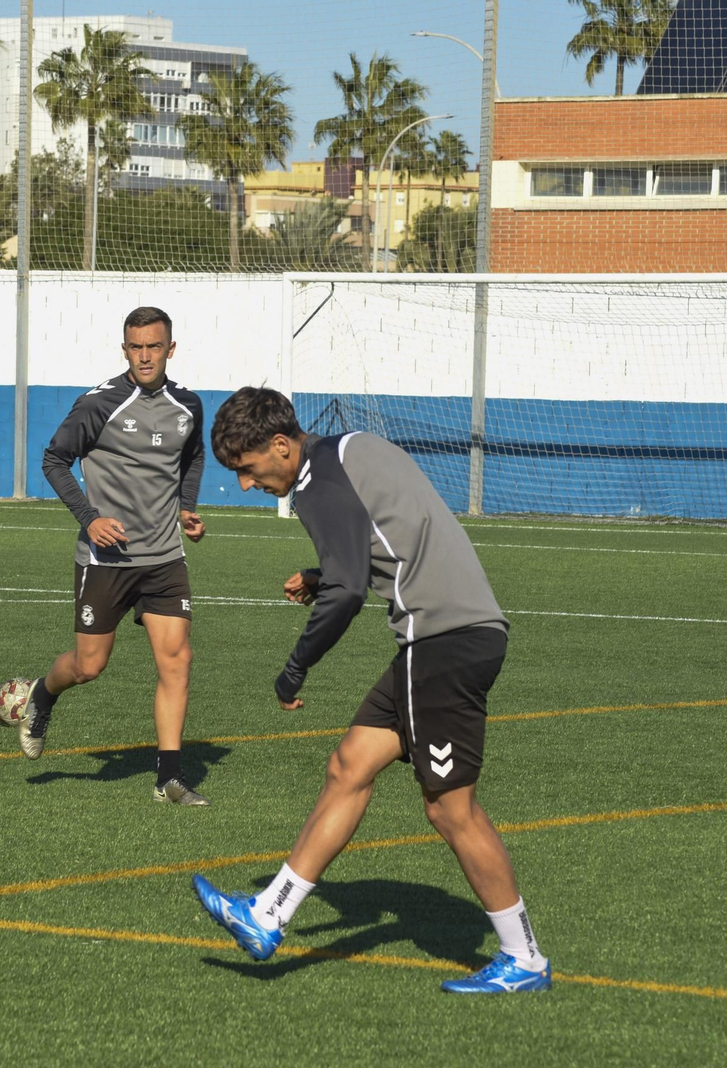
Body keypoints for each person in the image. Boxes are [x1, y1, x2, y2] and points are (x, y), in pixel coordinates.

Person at [191, 387, 551, 993]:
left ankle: (525, 958)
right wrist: (324, 572)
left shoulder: (314, 483)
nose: (248, 485)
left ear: (280, 445)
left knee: (450, 808)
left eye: (247, 469)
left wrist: (296, 667)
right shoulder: (351, 449)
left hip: (442, 640)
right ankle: (267, 914)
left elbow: (349, 591)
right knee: (349, 765)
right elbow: (388, 536)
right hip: (452, 637)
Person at [20, 306, 210, 807]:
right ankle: (44, 693)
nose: (145, 356)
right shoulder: (99, 403)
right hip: (106, 561)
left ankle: (169, 778)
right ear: (124, 349)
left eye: (154, 346)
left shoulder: (188, 405)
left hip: (164, 558)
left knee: (178, 660)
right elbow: (54, 460)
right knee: (88, 666)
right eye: (136, 347)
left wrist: (186, 508)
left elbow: (192, 456)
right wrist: (90, 518)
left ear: (171, 349)